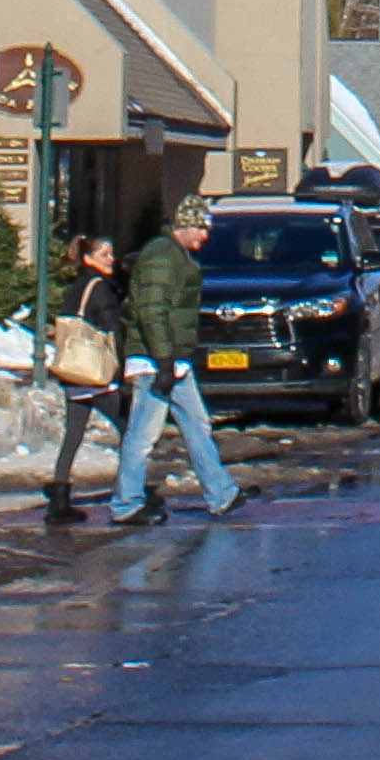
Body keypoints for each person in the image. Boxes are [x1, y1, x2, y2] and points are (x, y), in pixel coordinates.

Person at [106, 195, 244, 527]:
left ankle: (222, 492)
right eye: (200, 228)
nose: (205, 236)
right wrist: (164, 360)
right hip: (156, 363)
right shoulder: (161, 255)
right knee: (143, 434)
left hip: (173, 363)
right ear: (183, 225)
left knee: (197, 425)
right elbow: (152, 311)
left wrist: (172, 361)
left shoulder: (173, 255)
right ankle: (126, 504)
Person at [42, 231, 132, 520]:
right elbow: (112, 330)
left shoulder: (76, 286)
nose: (112, 259)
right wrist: (123, 367)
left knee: (73, 435)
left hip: (73, 374)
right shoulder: (101, 289)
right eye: (105, 254)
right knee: (129, 429)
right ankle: (130, 494)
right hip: (97, 376)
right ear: (88, 258)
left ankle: (59, 498)